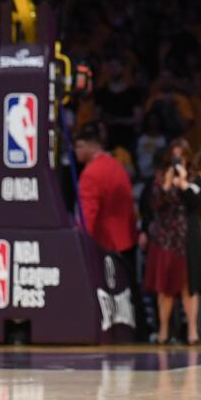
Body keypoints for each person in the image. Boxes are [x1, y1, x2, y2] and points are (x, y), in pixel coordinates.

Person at [73, 123, 144, 340]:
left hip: (106, 245)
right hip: (127, 238)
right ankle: (138, 333)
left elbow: (87, 217)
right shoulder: (116, 165)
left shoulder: (91, 174)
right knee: (131, 292)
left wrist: (80, 245)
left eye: (78, 147)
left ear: (87, 146)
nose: (76, 153)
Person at [142, 142, 201, 345]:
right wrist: (167, 185)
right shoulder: (160, 179)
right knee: (164, 287)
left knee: (188, 285)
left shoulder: (196, 179)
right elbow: (153, 205)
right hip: (164, 239)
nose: (177, 161)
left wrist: (184, 184)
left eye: (181, 157)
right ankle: (163, 331)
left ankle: (192, 331)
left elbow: (196, 204)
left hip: (186, 239)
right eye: (174, 157)